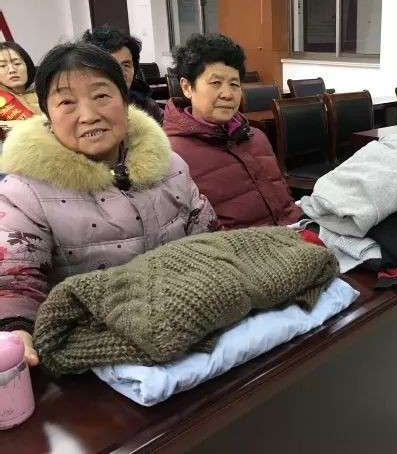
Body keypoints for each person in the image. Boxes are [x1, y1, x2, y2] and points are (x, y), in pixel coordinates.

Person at [0, 42, 218, 365]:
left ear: (125, 101)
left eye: (102, 96)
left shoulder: (170, 166)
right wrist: (17, 332)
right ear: (48, 116)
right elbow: (14, 281)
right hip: (96, 354)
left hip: (190, 330)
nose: (89, 116)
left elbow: (209, 240)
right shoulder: (24, 191)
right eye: (67, 102)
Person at [163, 33, 301, 230]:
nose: (227, 94)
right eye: (215, 83)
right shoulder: (171, 154)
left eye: (234, 84)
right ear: (187, 87)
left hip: (295, 233)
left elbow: (284, 201)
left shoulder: (256, 136)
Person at [81, 25, 163, 124]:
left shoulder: (147, 107)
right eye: (111, 65)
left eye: (126, 65)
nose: (121, 72)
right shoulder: (78, 111)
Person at [0, 41, 41, 128]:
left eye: (17, 63)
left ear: (27, 65)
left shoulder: (47, 90)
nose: (12, 70)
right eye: (2, 65)